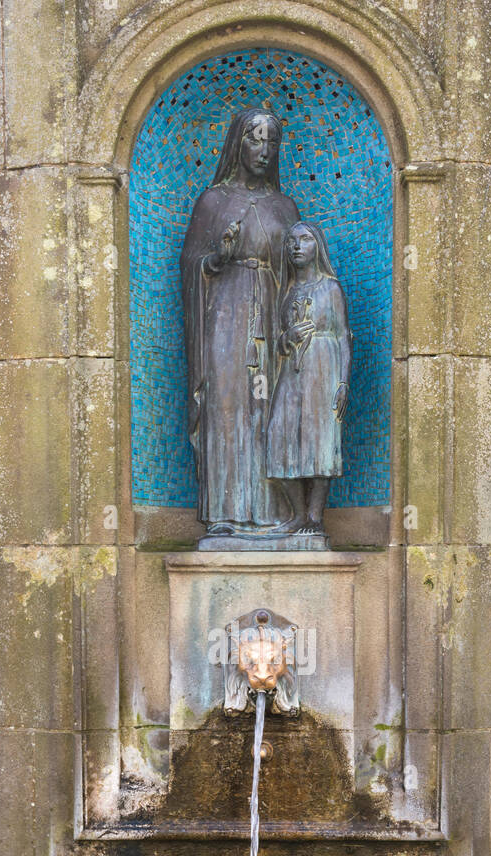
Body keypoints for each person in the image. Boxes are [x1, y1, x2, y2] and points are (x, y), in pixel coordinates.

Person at [180, 108, 300, 538]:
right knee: (227, 404)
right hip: (225, 316)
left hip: (271, 311)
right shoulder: (213, 202)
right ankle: (225, 513)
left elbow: (302, 266)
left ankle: (273, 513)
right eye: (256, 139)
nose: (264, 150)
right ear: (238, 143)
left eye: (272, 142)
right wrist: (216, 259)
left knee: (269, 405)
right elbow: (190, 264)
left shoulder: (285, 207)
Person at [265, 221, 352, 536]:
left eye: (304, 240)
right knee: (279, 435)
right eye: (291, 241)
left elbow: (343, 336)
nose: (296, 246)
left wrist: (343, 382)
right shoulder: (287, 291)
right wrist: (286, 338)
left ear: (318, 247)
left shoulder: (330, 288)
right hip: (292, 372)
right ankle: (298, 515)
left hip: (323, 369)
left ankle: (315, 517)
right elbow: (277, 343)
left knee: (320, 440)